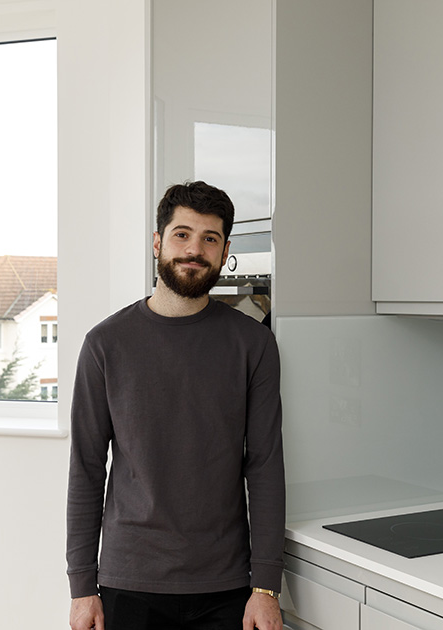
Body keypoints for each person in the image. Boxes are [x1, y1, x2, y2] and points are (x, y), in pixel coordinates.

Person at [66, 181, 285, 630]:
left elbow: (264, 465)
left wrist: (266, 586)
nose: (194, 250)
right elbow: (86, 467)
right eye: (182, 234)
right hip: (129, 580)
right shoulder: (105, 344)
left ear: (225, 252)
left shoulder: (254, 344)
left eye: (210, 238)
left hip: (226, 585)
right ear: (157, 242)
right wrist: (81, 586)